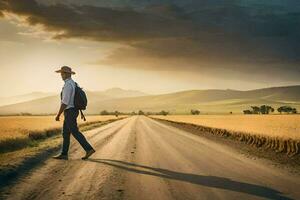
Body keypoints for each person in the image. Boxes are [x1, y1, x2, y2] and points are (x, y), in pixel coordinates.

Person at [53, 66, 95, 160]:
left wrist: (58, 114)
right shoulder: (73, 83)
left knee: (75, 132)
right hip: (72, 111)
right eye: (61, 73)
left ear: (67, 74)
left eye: (62, 73)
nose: (61, 75)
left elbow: (65, 102)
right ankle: (64, 154)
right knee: (65, 133)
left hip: (70, 111)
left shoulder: (68, 85)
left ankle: (89, 149)